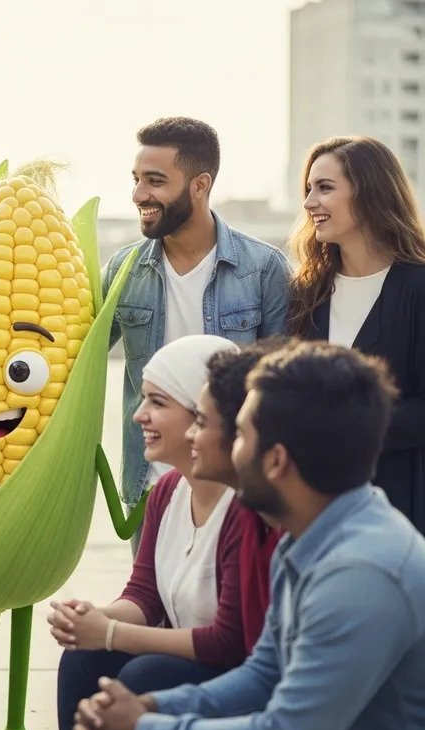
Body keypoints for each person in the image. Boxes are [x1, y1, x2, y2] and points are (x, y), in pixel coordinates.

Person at [73, 340, 425, 730]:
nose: (221, 447)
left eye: (238, 435)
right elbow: (263, 673)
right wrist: (149, 707)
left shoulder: (361, 573)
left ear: (276, 461)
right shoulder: (306, 535)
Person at [52, 334, 275, 730]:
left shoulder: (246, 509)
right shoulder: (167, 491)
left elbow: (229, 642)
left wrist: (110, 635)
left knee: (142, 676)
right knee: (82, 658)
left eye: (157, 402)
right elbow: (145, 597)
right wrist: (93, 619)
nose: (138, 415)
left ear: (201, 415)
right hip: (185, 658)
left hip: (232, 673)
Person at [103, 117, 291, 555]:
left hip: (236, 486)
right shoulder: (122, 270)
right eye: (136, 180)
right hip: (149, 486)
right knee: (151, 614)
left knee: (232, 619)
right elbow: (75, 360)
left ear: (199, 185)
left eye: (155, 181)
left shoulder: (264, 270)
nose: (139, 195)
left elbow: (281, 388)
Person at [289, 136, 425, 534]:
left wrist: (346, 425)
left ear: (370, 194)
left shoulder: (418, 289)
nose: (309, 202)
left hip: (400, 514)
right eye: (309, 189)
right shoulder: (305, 293)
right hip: (315, 514)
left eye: (325, 188)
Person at [187, 341, 283, 652]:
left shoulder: (311, 540)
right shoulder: (250, 511)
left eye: (200, 423)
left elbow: (233, 645)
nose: (190, 434)